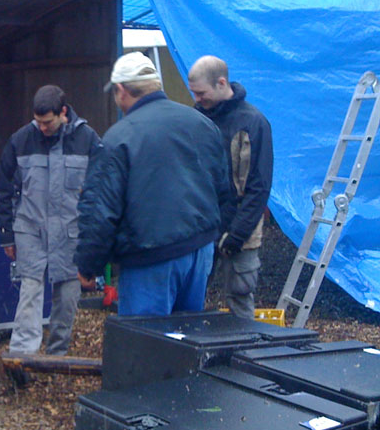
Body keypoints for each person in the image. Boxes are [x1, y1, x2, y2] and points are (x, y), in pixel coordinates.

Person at [74, 52, 231, 316]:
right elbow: (223, 190)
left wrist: (89, 264)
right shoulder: (202, 124)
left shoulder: (119, 138)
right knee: (189, 334)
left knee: (146, 338)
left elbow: (100, 209)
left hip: (151, 258)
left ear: (121, 90)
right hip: (199, 251)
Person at [0, 85, 103, 355]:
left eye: (47, 122)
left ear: (63, 112)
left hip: (71, 233)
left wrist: (94, 239)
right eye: (38, 122)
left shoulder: (88, 140)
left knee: (67, 299)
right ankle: (21, 358)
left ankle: (57, 356)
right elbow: (5, 188)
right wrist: (7, 234)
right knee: (30, 294)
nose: (42, 127)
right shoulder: (21, 139)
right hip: (30, 229)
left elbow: (101, 190)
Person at [188, 55, 274, 319]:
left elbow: (259, 186)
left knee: (239, 295)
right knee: (190, 295)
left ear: (221, 83)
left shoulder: (254, 123)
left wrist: (237, 234)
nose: (197, 99)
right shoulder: (195, 119)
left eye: (201, 93)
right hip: (201, 226)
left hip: (241, 230)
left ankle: (244, 343)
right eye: (194, 93)